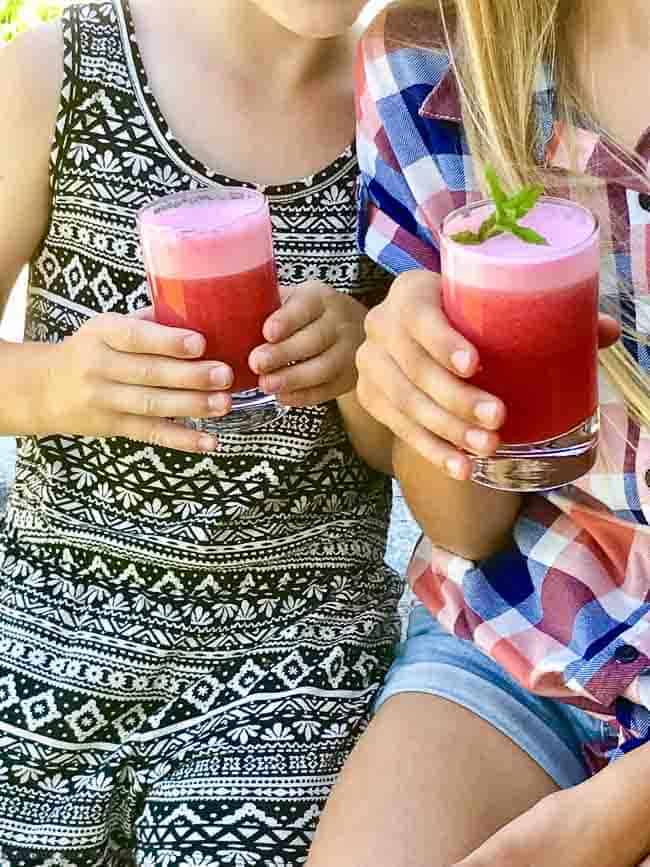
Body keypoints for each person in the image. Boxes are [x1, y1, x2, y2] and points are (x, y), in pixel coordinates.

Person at [0, 1, 403, 863]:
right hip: (42, 623)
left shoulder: (402, 108)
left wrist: (364, 358)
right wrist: (59, 383)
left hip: (295, 655)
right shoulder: (59, 70)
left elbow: (396, 453)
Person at [305, 1, 650, 866]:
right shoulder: (431, 69)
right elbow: (464, 528)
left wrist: (622, 809)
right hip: (529, 623)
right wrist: (427, 389)